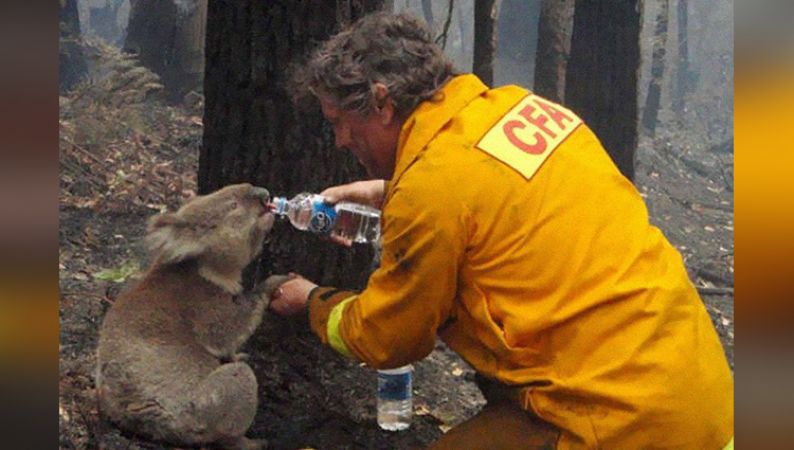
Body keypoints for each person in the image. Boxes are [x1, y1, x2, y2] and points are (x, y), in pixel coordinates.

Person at [269, 12, 734, 450]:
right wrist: (390, 191)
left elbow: (388, 338)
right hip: (701, 395)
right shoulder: (520, 109)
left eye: (339, 123)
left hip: (617, 420)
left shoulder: (433, 189)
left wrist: (311, 300)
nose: (340, 141)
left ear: (381, 103)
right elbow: (493, 199)